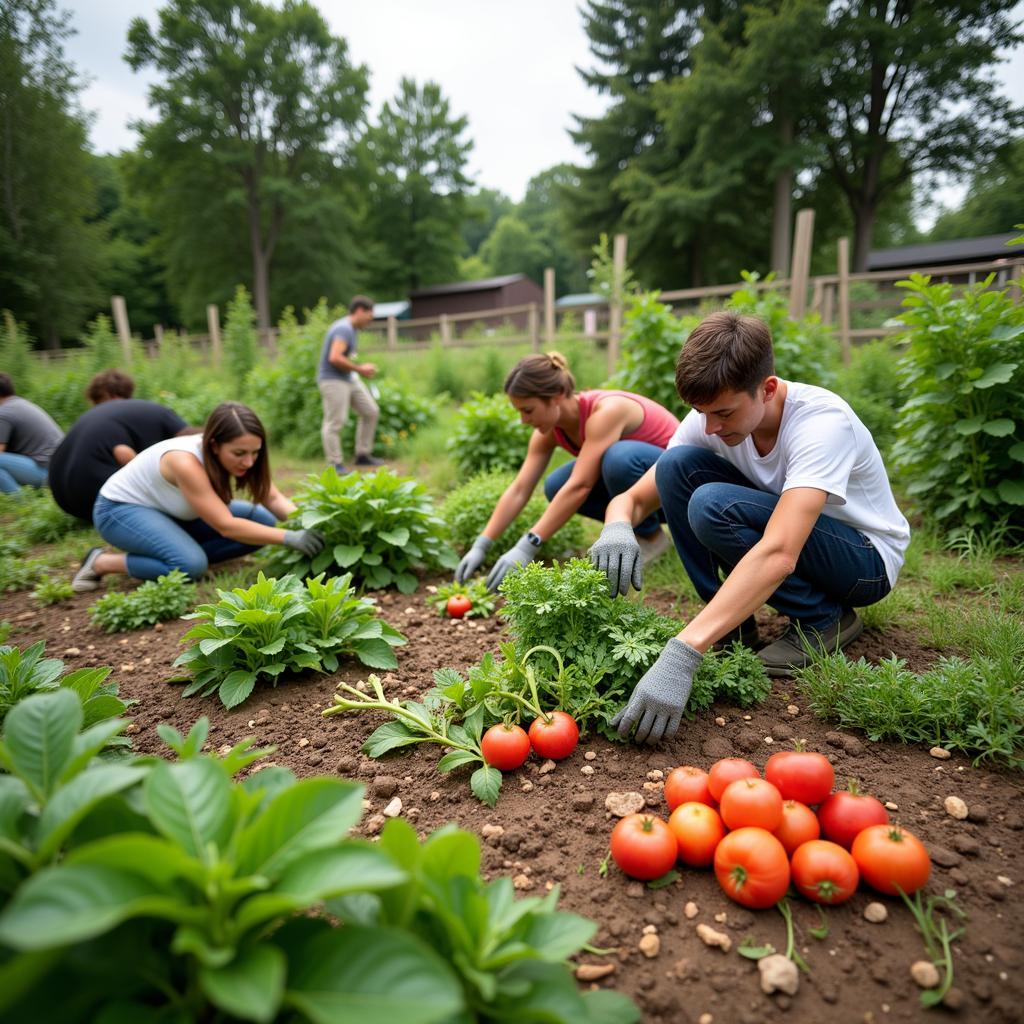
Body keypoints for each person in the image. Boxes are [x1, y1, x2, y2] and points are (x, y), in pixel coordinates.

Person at [589, 311, 910, 744]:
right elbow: (637, 497)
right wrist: (617, 525)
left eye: (723, 412)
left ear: (768, 388)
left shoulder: (821, 423)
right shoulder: (712, 418)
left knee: (711, 505)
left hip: (864, 561)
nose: (711, 427)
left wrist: (681, 655)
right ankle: (732, 627)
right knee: (675, 468)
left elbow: (780, 552)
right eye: (701, 413)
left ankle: (824, 618)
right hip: (802, 541)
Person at [455, 352, 681, 593]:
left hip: (676, 490)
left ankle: (651, 538)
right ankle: (644, 532)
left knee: (617, 459)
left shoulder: (606, 411)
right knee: (555, 485)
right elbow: (520, 489)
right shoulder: (550, 430)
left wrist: (528, 545)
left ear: (557, 397)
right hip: (640, 496)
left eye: (528, 410)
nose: (522, 420)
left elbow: (581, 486)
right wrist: (482, 543)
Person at [71, 401, 324, 592]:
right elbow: (226, 525)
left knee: (264, 521)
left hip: (174, 512)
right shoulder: (185, 461)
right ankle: (102, 562)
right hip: (119, 511)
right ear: (214, 445)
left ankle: (179, 552)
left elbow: (273, 498)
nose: (249, 461)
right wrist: (290, 537)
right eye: (239, 453)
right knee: (190, 566)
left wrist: (308, 523)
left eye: (255, 452)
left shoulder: (243, 455)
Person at [49, 370, 196, 522]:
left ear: (110, 395)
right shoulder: (153, 411)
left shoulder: (91, 417)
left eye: (97, 401)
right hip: (100, 499)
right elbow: (123, 452)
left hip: (64, 500)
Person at [317, 296, 384, 474]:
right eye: (369, 316)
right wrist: (360, 369)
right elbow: (335, 357)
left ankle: (363, 454)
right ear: (360, 311)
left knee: (370, 411)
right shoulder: (343, 328)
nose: (370, 321)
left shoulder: (353, 330)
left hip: (348, 378)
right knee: (335, 422)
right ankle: (335, 463)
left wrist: (357, 371)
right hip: (332, 379)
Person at [0, 373, 64, 494]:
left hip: (47, 472)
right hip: (60, 469)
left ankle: (19, 503)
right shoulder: (19, 404)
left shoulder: (4, 413)